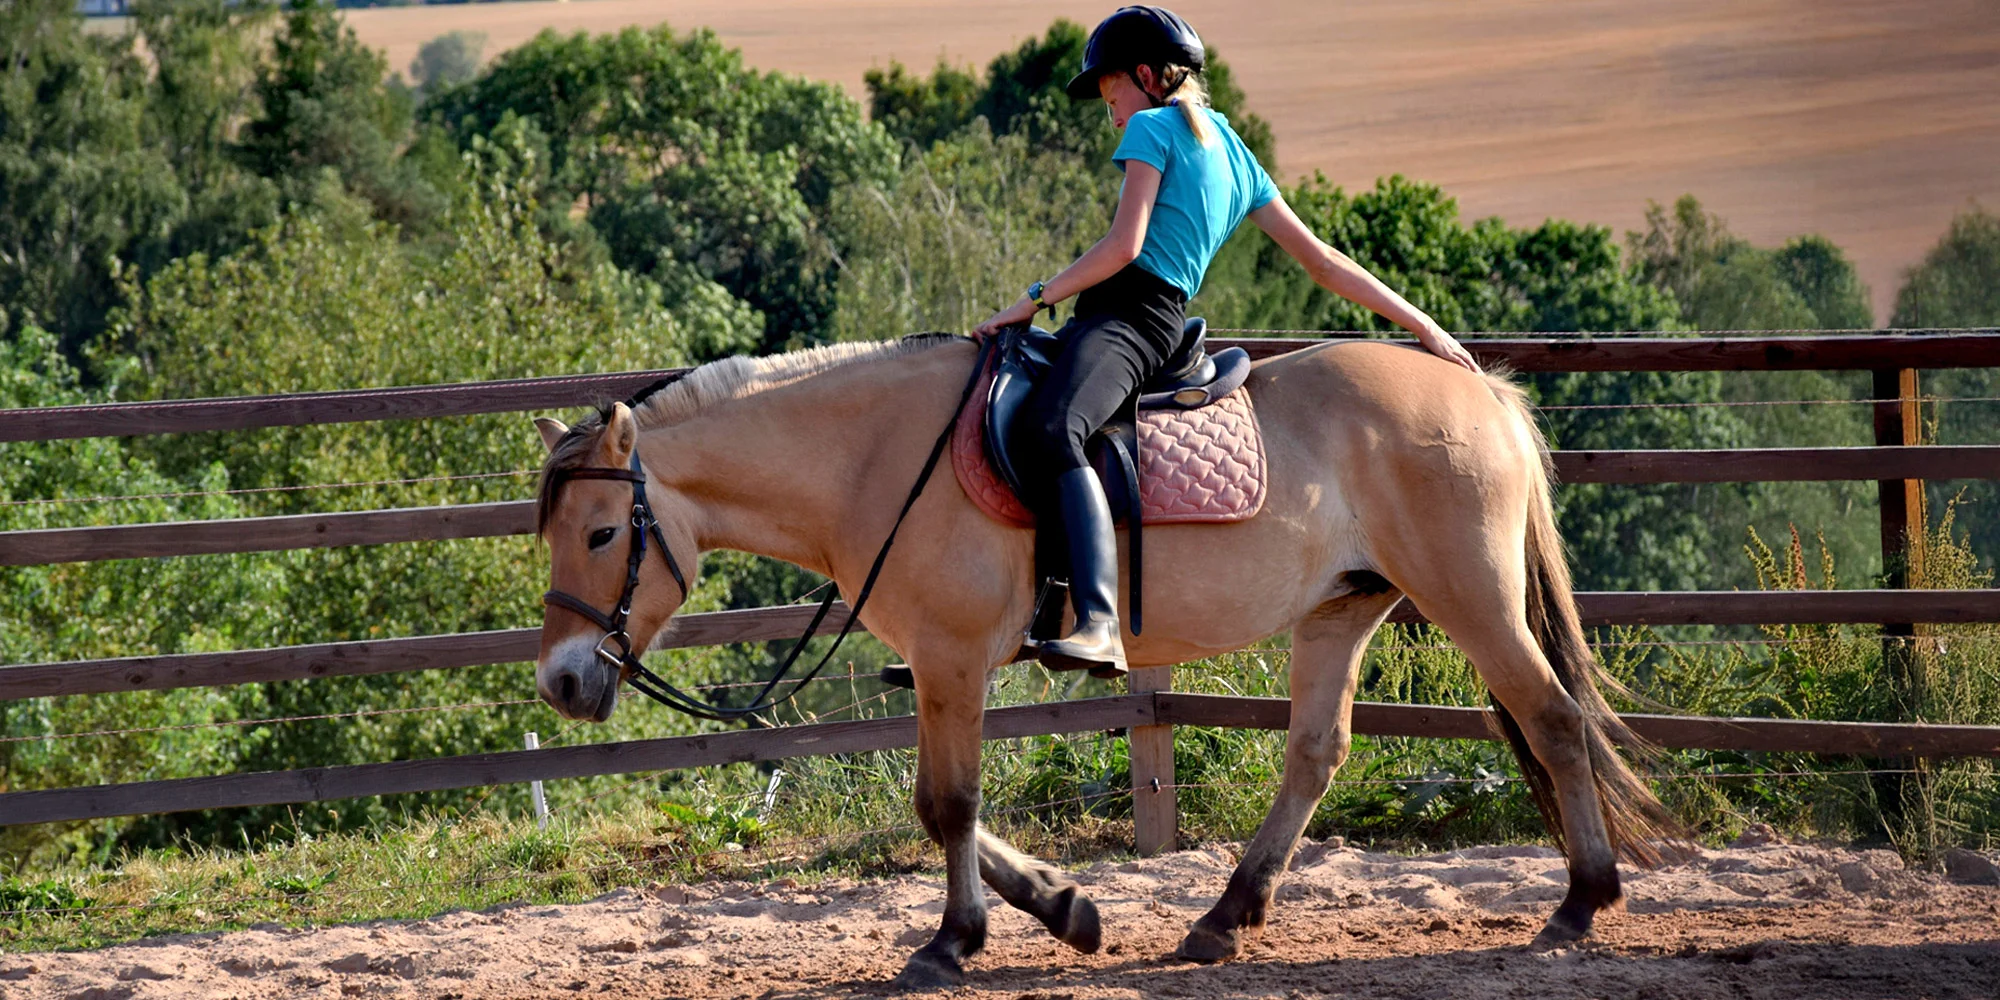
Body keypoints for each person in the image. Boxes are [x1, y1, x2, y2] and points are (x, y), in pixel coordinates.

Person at [973, 5, 1480, 677]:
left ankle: (1097, 621)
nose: (1111, 111)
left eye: (1111, 91)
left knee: (1053, 428)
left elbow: (1124, 247)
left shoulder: (1153, 127)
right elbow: (1324, 263)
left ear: (1148, 78)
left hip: (1128, 318)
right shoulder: (1233, 150)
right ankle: (1021, 618)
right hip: (1149, 320)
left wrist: (1031, 300)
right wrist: (1424, 324)